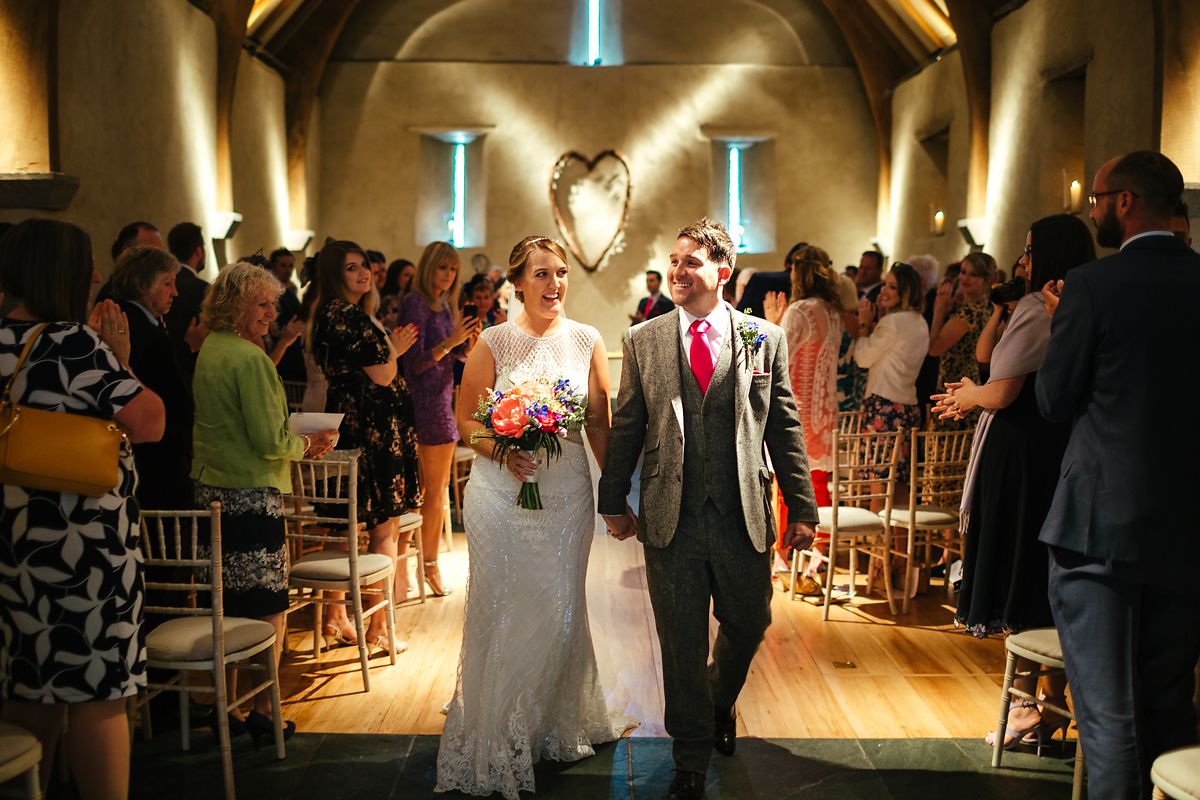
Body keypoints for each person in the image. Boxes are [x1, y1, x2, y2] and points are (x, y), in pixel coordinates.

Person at [598, 218, 818, 800]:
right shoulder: (644, 341)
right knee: (681, 641)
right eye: (674, 260)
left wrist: (802, 506)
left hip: (742, 511)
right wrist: (612, 497)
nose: (678, 270)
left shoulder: (762, 338)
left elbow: (784, 425)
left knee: (750, 622)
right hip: (670, 515)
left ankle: (719, 700)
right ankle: (689, 759)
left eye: (691, 261)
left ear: (724, 271)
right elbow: (627, 424)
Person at [437, 236, 630, 798]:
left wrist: (612, 497)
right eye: (542, 275)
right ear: (517, 283)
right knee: (501, 608)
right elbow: (466, 423)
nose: (554, 285)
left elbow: (598, 423)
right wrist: (503, 449)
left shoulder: (587, 340)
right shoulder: (493, 343)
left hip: (566, 495)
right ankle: (500, 729)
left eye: (561, 274)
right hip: (500, 495)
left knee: (561, 607)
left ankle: (550, 722)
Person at [1037, 151, 1200, 798]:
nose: (1095, 210)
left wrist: (1063, 330)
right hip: (1186, 529)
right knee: (1169, 707)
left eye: (1098, 199)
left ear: (1126, 201)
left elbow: (1052, 401)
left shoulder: (1093, 286)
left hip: (1096, 529)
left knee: (1107, 719)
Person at [0, 218, 166, 800]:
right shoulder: (71, 343)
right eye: (86, 266)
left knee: (29, 686)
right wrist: (120, 358)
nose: (96, 276)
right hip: (82, 549)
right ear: (61, 274)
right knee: (100, 691)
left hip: (15, 545)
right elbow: (150, 421)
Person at [932, 214, 1095, 750]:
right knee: (1029, 577)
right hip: (1040, 449)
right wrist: (999, 311)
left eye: (1028, 252)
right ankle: (1040, 707)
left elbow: (999, 391)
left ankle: (1028, 707)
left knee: (1019, 573)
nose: (1020, 262)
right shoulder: (1046, 306)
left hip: (1023, 455)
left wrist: (969, 396)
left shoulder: (1040, 308)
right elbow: (986, 359)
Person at [191, 262, 337, 742]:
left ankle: (226, 711)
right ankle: (262, 712)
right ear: (235, 305)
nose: (272, 313)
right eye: (262, 304)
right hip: (251, 493)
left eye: (273, 304)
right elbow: (267, 439)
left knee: (228, 608)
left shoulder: (212, 348)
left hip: (212, 489)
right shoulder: (249, 358)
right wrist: (307, 445)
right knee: (267, 608)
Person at [310, 240, 423, 638]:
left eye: (364, 266)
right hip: (371, 431)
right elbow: (383, 375)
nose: (363, 273)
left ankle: (336, 618)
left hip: (355, 425)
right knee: (383, 527)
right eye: (351, 269)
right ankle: (378, 624)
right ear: (333, 276)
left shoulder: (333, 313)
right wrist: (396, 348)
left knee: (345, 526)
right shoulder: (345, 315)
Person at [398, 242, 481, 597]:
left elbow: (450, 354)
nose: (448, 275)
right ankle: (419, 568)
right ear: (428, 267)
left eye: (453, 269)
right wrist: (452, 342)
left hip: (441, 399)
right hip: (423, 403)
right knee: (427, 495)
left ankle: (425, 565)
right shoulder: (414, 303)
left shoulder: (444, 305)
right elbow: (414, 362)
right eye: (442, 268)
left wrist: (468, 344)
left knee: (436, 495)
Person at [762, 245, 844, 593]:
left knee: (788, 485)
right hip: (825, 411)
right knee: (819, 485)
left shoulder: (801, 311)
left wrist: (771, 321)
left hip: (797, 409)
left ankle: (784, 561)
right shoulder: (834, 311)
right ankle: (818, 558)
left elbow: (776, 354)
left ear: (799, 272)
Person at [109, 246, 195, 511]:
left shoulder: (136, 320)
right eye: (167, 283)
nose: (176, 292)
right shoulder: (139, 328)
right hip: (156, 458)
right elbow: (173, 398)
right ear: (141, 285)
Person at [852, 262, 928, 486]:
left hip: (884, 407)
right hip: (908, 406)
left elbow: (863, 358)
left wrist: (864, 325)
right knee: (900, 483)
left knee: (879, 485)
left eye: (892, 287)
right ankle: (895, 524)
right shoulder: (920, 321)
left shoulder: (892, 322)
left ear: (906, 291)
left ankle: (879, 523)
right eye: (885, 285)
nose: (884, 291)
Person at [928, 251, 995, 429]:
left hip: (955, 390)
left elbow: (934, 348)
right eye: (963, 272)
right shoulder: (986, 308)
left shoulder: (970, 313)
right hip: (966, 386)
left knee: (945, 453)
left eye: (973, 274)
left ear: (986, 280)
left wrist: (939, 311)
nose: (965, 278)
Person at [163, 222, 210, 384]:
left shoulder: (159, 284)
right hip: (193, 375)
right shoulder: (202, 289)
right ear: (199, 251)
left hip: (163, 368)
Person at [737, 242, 806, 319]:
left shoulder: (760, 279)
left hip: (757, 329)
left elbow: (741, 315)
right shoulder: (816, 291)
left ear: (786, 263)